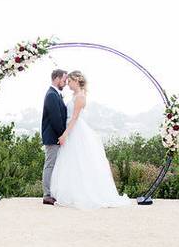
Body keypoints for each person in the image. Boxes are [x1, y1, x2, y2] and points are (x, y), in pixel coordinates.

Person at [49, 70, 132, 209]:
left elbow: (74, 118)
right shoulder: (75, 95)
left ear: (76, 80)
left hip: (75, 130)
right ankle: (72, 192)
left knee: (80, 162)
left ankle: (83, 194)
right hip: (71, 129)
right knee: (72, 163)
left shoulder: (80, 96)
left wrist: (65, 134)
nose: (68, 84)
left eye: (69, 81)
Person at [40, 69, 67, 205]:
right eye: (64, 80)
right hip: (53, 136)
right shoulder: (51, 95)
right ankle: (47, 195)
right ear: (56, 79)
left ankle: (51, 192)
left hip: (55, 136)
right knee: (49, 165)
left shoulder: (56, 94)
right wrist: (63, 134)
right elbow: (56, 118)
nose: (65, 83)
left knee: (53, 165)